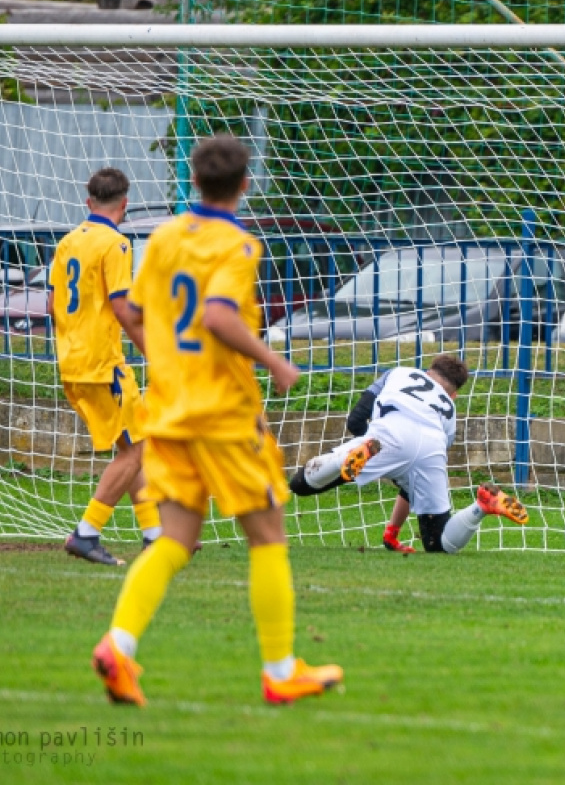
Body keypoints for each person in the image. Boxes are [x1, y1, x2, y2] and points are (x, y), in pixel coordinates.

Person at [91, 134, 343, 706]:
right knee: (268, 535)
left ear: (194, 180)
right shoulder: (236, 245)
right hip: (224, 416)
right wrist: (275, 362)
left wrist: (165, 358)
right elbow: (217, 315)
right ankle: (280, 671)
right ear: (245, 185)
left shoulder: (165, 236)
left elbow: (132, 309)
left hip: (172, 411)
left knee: (176, 539)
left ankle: (119, 644)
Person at [290, 355, 529, 553]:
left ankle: (354, 455)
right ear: (454, 394)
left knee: (300, 484)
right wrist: (391, 534)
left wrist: (373, 446)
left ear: (427, 372)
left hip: (388, 434)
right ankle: (484, 505)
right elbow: (410, 484)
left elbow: (355, 419)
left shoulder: (399, 373)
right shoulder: (449, 409)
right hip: (432, 447)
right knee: (439, 544)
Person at [48, 167, 161, 567]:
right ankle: (86, 532)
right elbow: (121, 307)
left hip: (71, 362)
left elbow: (51, 305)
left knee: (132, 445)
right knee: (135, 450)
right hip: (102, 364)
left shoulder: (65, 243)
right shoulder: (116, 244)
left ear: (88, 200)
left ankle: (155, 535)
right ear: (125, 204)